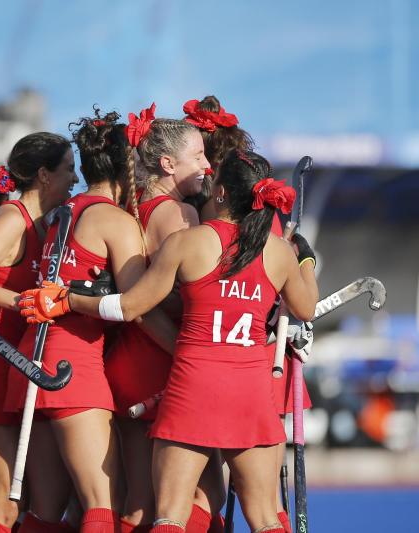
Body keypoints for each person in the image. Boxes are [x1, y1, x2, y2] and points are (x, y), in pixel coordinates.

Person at [20, 148, 318, 533]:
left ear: (222, 193)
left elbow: (130, 307)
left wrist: (68, 299)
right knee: (264, 516)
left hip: (194, 387)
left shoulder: (188, 243)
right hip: (250, 389)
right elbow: (306, 308)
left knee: (170, 515)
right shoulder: (277, 251)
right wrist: (305, 259)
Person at [3, 107, 177, 533]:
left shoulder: (58, 213)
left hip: (29, 362)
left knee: (45, 510)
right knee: (102, 504)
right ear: (129, 165)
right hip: (72, 368)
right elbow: (138, 308)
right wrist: (189, 352)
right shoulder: (115, 221)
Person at [184, 95, 310, 532]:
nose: (200, 167)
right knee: (258, 505)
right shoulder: (263, 230)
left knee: (186, 500)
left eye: (202, 155)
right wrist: (306, 260)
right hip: (248, 367)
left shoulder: (195, 220)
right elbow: (298, 301)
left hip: (210, 368)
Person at [0, 133, 78, 533]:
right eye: (69, 169)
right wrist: (22, 301)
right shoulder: (12, 219)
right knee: (4, 507)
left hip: (22, 368)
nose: (76, 179)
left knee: (35, 509)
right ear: (43, 174)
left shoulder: (51, 225)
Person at [102, 105, 220, 533]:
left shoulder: (131, 208)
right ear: (168, 165)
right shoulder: (181, 215)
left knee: (138, 500)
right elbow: (181, 298)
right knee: (201, 496)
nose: (208, 165)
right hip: (162, 363)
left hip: (128, 362)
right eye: (200, 157)